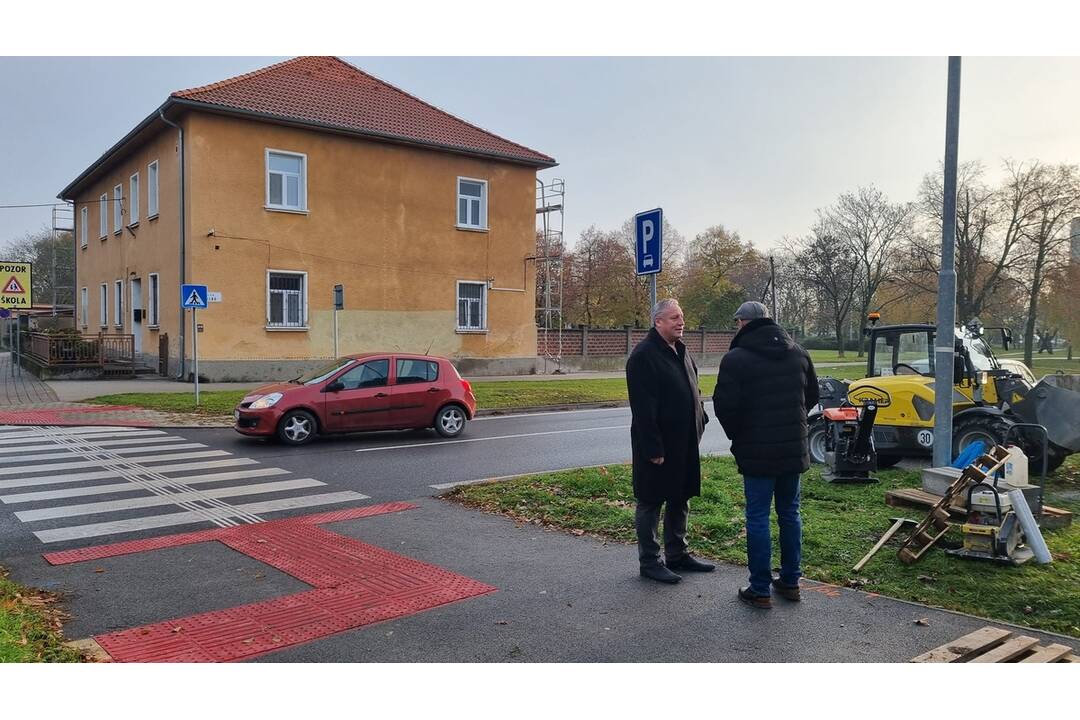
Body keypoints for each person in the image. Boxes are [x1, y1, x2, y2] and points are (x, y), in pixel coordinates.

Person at [712, 301, 818, 609]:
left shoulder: (736, 359)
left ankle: (759, 588)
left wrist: (739, 435)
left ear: (744, 323)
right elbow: (811, 396)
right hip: (792, 449)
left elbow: (725, 405)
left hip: (756, 451)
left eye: (737, 323)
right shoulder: (799, 353)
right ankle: (791, 581)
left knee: (758, 516)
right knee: (790, 514)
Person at [625, 298, 714, 583]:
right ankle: (649, 561)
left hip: (684, 441)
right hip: (657, 446)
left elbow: (693, 389)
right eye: (674, 317)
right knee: (651, 501)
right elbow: (643, 408)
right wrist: (653, 448)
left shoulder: (681, 350)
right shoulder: (644, 355)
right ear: (658, 321)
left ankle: (677, 554)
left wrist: (701, 418)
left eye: (682, 316)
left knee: (680, 496)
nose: (681, 322)